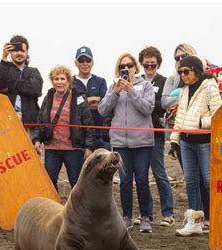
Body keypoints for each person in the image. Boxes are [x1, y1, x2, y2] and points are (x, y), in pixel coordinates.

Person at [98, 53, 155, 233]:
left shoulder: (145, 85)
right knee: (124, 181)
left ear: (135, 68)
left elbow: (147, 109)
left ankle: (145, 217)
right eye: (123, 66)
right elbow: (102, 110)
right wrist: (115, 92)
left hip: (142, 142)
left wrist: (131, 91)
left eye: (130, 65)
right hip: (120, 141)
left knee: (141, 180)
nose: (127, 69)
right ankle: (127, 217)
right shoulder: (112, 87)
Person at [168, 56, 222, 236]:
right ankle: (195, 221)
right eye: (180, 72)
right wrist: (174, 141)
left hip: (204, 142)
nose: (183, 75)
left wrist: (201, 122)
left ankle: (216, 218)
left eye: (186, 71)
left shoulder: (210, 88)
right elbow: (180, 117)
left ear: (197, 70)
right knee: (191, 182)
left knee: (208, 182)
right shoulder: (184, 90)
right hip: (186, 141)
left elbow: (219, 115)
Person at [31, 65, 95, 192]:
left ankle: (78, 210)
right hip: (52, 148)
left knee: (75, 181)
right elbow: (40, 121)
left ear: (68, 80)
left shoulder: (78, 98)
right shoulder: (48, 97)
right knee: (49, 180)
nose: (59, 82)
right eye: (56, 79)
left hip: (73, 148)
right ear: (52, 81)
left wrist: (89, 147)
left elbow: (88, 123)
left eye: (62, 79)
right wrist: (37, 140)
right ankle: (55, 207)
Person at [136, 46, 175, 227]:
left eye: (153, 64)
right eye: (146, 64)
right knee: (142, 176)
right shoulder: (137, 80)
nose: (149, 67)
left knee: (159, 173)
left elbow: (165, 104)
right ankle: (147, 214)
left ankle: (168, 213)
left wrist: (148, 104)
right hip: (139, 133)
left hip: (156, 132)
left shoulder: (165, 81)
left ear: (158, 64)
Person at [0, 35, 43, 136]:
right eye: (16, 50)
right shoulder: (5, 67)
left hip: (28, 122)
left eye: (23, 51)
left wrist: (10, 85)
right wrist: (4, 58)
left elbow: (35, 89)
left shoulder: (33, 71)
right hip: (6, 120)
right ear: (10, 52)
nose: (19, 53)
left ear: (27, 53)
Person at [72, 46, 109, 150]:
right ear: (76, 63)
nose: (85, 63)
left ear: (92, 62)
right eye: (81, 60)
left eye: (87, 60)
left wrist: (82, 103)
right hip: (79, 137)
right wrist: (92, 100)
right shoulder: (70, 83)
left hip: (101, 135)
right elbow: (71, 107)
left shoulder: (101, 81)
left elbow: (104, 106)